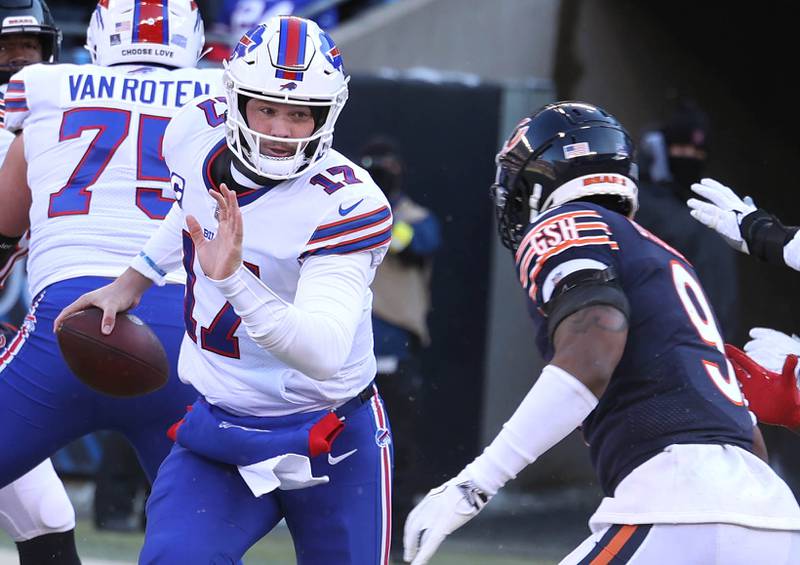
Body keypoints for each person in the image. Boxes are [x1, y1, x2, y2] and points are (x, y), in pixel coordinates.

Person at [56, 16, 395, 563]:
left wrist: (232, 279)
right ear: (235, 101)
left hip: (332, 430)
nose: (282, 130)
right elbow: (187, 211)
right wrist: (134, 278)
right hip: (223, 426)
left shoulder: (346, 202)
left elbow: (324, 352)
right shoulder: (194, 133)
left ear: (327, 115)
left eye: (299, 113)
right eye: (266, 108)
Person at [402, 101, 800, 565]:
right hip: (773, 519)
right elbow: (747, 437)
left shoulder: (568, 224)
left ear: (537, 179)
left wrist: (474, 484)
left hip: (681, 506)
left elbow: (597, 342)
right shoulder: (663, 259)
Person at [0, 2, 220, 563]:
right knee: (198, 540)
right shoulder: (227, 100)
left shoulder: (45, 88)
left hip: (61, 333)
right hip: (183, 342)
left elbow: (4, 224)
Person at [0, 2, 77, 563]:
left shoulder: (49, 132)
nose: (21, 61)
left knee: (47, 518)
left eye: (31, 46)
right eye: (5, 49)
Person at [358, 136, 440, 557]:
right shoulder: (343, 208)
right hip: (348, 349)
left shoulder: (416, 218)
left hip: (397, 349)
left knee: (399, 446)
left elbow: (414, 243)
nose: (380, 171)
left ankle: (394, 539)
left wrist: (372, 208)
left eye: (386, 165)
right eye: (372, 165)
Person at [635, 98, 739, 338]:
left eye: (698, 152)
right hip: (665, 341)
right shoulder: (642, 201)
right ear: (663, 149)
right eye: (681, 149)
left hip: (706, 341)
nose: (690, 157)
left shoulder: (707, 203)